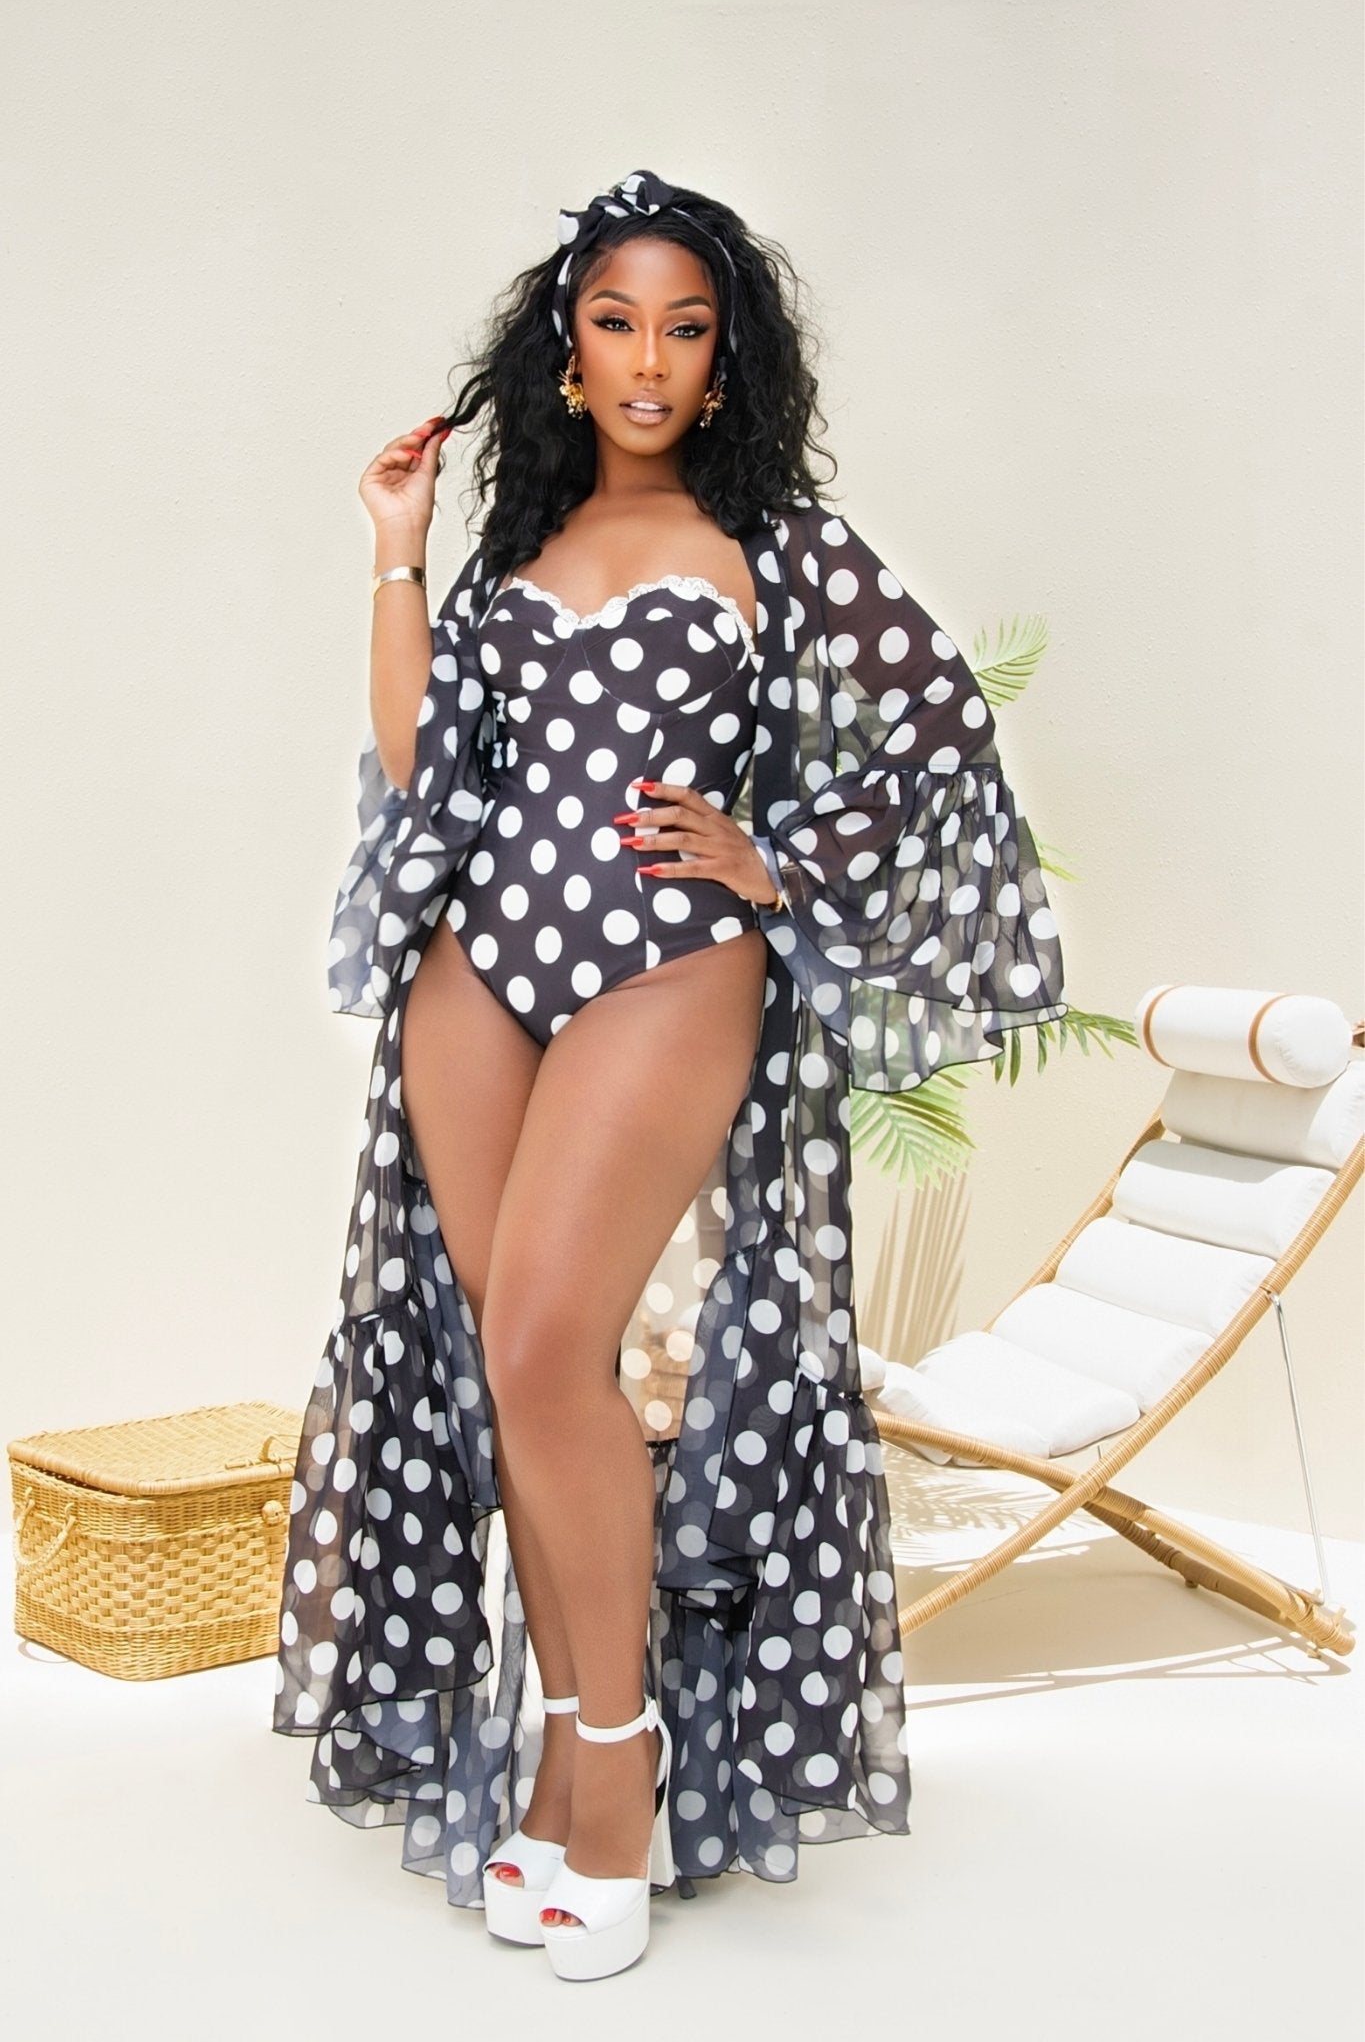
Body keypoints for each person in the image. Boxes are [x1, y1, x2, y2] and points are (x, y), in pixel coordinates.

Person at [273, 169, 1067, 1984]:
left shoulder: (776, 540)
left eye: (685, 329)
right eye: (617, 323)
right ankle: (566, 1749)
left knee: (555, 1348)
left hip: (665, 962)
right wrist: (396, 544)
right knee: (509, 1369)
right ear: (567, 348)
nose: (648, 360)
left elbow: (941, 723)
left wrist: (777, 859)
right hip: (477, 968)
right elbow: (423, 758)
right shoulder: (521, 542)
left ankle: (615, 1778)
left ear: (726, 361)